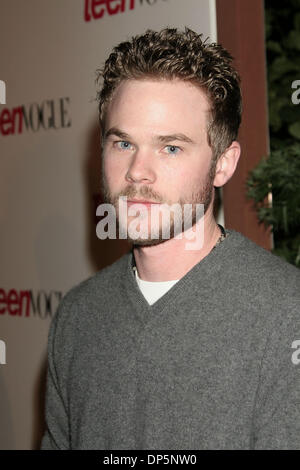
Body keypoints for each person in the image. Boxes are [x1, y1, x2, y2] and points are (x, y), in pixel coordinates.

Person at [41, 27, 300, 450]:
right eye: (123, 142)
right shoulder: (77, 316)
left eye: (171, 148)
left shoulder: (286, 315)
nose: (138, 171)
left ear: (223, 164)